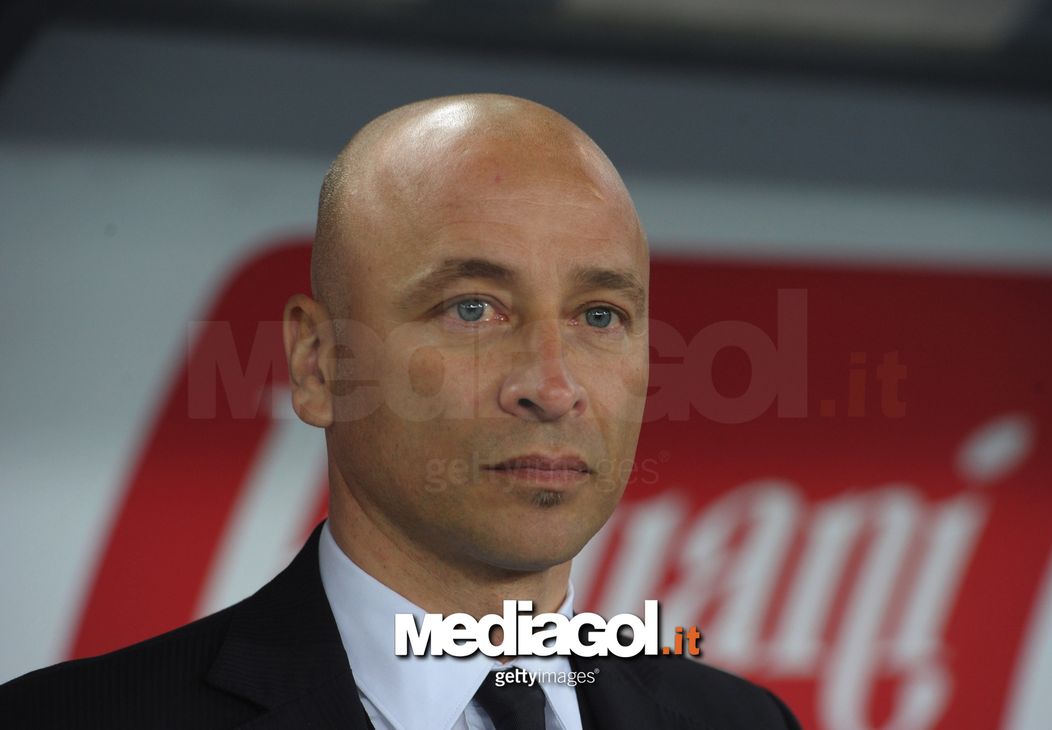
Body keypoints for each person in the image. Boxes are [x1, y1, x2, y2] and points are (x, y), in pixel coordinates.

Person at [0, 94, 800, 729]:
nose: (553, 388)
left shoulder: (742, 721)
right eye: (473, 309)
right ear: (317, 364)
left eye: (599, 316)